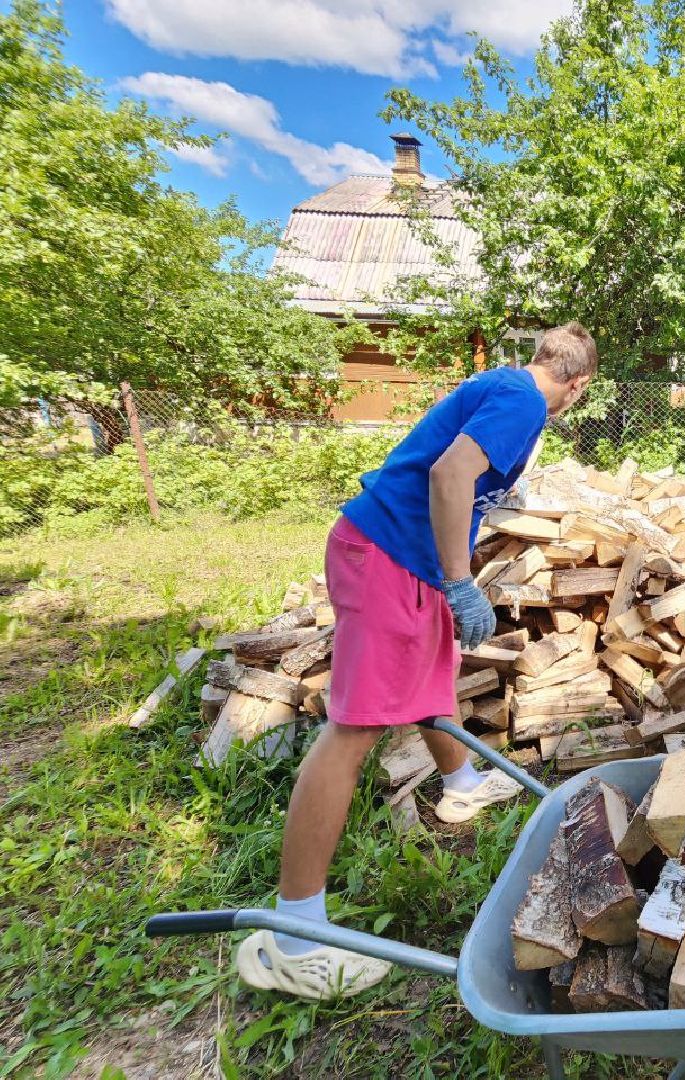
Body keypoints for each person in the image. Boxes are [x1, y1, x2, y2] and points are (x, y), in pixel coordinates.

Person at [235, 323, 597, 1001]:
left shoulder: (507, 386)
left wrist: (446, 579)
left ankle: (460, 787)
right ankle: (294, 938)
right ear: (577, 384)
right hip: (384, 558)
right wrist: (460, 579)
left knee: (435, 673)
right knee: (352, 732)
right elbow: (450, 472)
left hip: (409, 562)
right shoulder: (524, 401)